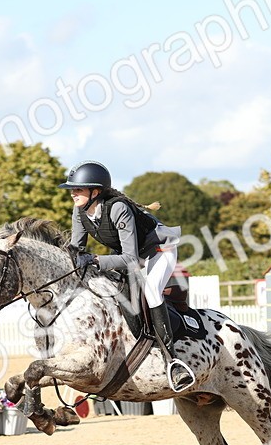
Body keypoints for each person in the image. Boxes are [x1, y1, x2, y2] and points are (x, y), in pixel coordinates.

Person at [60, 160, 194, 392]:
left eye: (78, 189)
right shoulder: (79, 211)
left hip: (159, 249)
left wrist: (95, 260)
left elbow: (131, 260)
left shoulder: (117, 208)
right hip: (126, 253)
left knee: (152, 291)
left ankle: (173, 361)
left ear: (95, 191)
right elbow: (76, 250)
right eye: (72, 189)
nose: (73, 193)